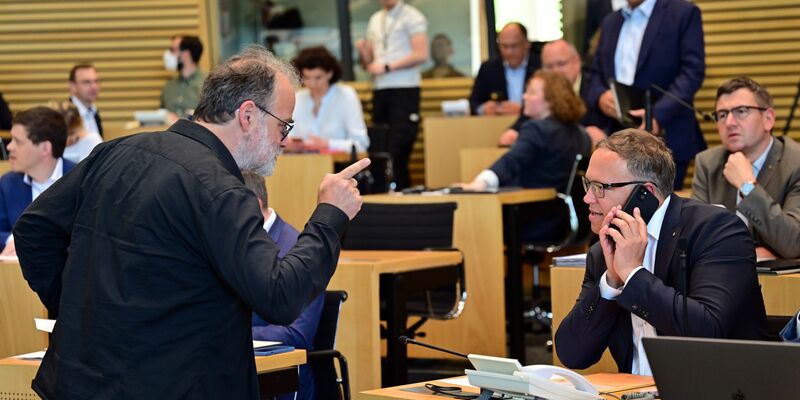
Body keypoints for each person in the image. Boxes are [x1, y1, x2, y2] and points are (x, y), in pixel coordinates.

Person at [14, 45, 370, 399]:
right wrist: (329, 215)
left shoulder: (115, 151)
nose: (285, 140)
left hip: (80, 380)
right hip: (174, 384)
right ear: (247, 115)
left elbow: (34, 230)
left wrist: (81, 310)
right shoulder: (220, 190)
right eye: (284, 125)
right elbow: (279, 296)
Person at [555, 129, 768, 375]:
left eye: (600, 187)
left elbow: (708, 331)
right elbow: (573, 354)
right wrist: (612, 282)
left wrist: (633, 274)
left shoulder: (716, 230)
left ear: (645, 193)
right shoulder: (603, 251)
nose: (587, 197)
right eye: (588, 184)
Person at [459, 70, 591, 242]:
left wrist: (480, 183)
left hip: (535, 221)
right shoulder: (582, 134)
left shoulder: (536, 129)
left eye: (531, 92)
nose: (524, 96)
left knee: (473, 222)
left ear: (550, 100)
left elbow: (511, 161)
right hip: (572, 222)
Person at [586, 0, 707, 189]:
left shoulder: (683, 12)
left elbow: (692, 72)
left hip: (665, 134)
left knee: (661, 213)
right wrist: (601, 96)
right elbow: (594, 74)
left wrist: (657, 115)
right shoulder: (611, 21)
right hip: (616, 136)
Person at [692, 77, 800, 260]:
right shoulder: (708, 163)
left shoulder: (795, 163)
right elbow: (694, 239)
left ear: (768, 119)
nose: (730, 122)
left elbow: (793, 243)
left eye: (741, 111)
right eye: (722, 114)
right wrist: (749, 254)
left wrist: (747, 186)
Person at [242, 170, 324, 400]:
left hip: (281, 379)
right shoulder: (229, 246)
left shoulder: (298, 252)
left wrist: (232, 332)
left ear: (252, 206)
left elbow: (297, 333)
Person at [356, 0, 428, 190]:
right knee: (380, 147)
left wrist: (387, 67)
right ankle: (382, 194)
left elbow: (421, 54)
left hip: (404, 87)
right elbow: (370, 62)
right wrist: (363, 51)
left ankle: (403, 196)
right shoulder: (375, 19)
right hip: (380, 88)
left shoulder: (412, 16)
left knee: (399, 149)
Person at [498, 39, 606, 146]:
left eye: (561, 64)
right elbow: (516, 129)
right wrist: (513, 134)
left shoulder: (595, 89)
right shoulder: (538, 95)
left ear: (577, 61)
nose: (556, 72)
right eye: (549, 67)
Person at [0, 107, 75, 256]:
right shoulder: (7, 183)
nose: (9, 147)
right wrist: (12, 240)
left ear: (45, 148)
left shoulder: (82, 181)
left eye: (18, 141)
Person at [288, 46, 369, 153]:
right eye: (307, 77)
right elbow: (289, 136)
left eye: (318, 78)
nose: (312, 84)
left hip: (338, 165)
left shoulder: (346, 95)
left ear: (330, 74)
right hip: (301, 164)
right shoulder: (298, 97)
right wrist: (291, 144)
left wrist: (328, 144)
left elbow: (361, 143)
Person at [469, 23, 538, 116]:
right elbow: (473, 103)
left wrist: (522, 110)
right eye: (504, 46)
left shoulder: (540, 66)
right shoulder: (488, 68)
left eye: (514, 46)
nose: (509, 52)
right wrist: (483, 109)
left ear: (527, 44)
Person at [161, 35, 207, 120]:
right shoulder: (169, 85)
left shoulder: (208, 83)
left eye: (173, 50)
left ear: (187, 53)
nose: (168, 54)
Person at [68, 63, 103, 138]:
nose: (94, 87)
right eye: (86, 82)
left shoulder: (95, 113)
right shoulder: (65, 114)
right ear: (73, 86)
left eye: (96, 81)